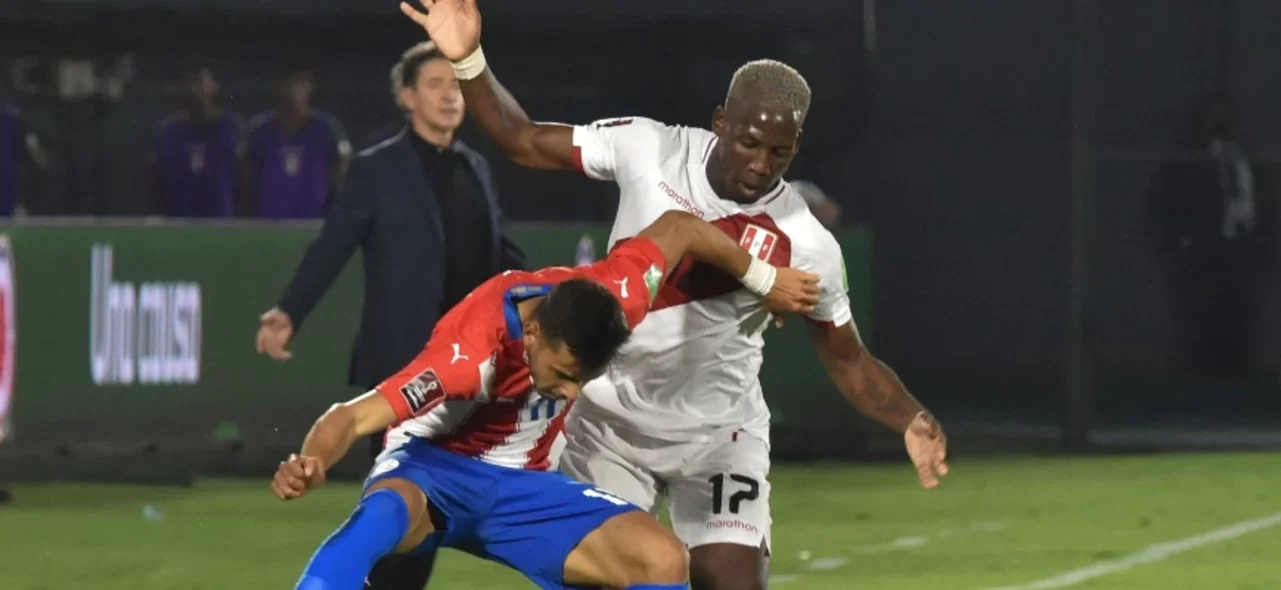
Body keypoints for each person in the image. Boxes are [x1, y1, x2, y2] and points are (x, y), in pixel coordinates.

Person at [398, 2, 950, 588]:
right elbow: (523, 139)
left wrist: (910, 418)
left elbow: (849, 360)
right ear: (720, 121)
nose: (760, 164)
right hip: (606, 425)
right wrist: (468, 58)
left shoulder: (806, 241)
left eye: (779, 153)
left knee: (732, 583)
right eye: (748, 142)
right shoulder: (649, 149)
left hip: (717, 438)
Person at [272, 209, 822, 590]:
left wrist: (761, 276)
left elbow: (680, 228)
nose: (570, 392)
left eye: (582, 379)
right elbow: (353, 416)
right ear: (531, 336)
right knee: (381, 518)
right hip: (433, 474)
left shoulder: (614, 297)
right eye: (561, 375)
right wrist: (314, 459)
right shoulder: (469, 354)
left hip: (526, 488)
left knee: (661, 559)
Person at [256, 41, 525, 590]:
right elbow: (333, 244)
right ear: (406, 97)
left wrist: (562, 293)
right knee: (399, 511)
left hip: (468, 375)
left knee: (432, 517)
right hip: (402, 370)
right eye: (435, 85)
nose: (451, 96)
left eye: (456, 86)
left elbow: (504, 257)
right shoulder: (378, 170)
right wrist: (290, 310)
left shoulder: (475, 168)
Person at [244, 67, 353, 219]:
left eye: (299, 84)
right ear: (278, 87)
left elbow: (342, 180)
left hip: (314, 225)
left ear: (310, 87)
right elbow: (246, 181)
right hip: (266, 225)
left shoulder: (328, 129)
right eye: (288, 83)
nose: (293, 90)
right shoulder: (258, 130)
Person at [152, 64, 244, 217]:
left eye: (202, 82)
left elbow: (244, 179)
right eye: (191, 82)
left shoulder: (231, 128)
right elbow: (155, 182)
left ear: (215, 86)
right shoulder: (166, 131)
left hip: (222, 222)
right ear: (181, 88)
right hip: (177, 221)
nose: (196, 89)